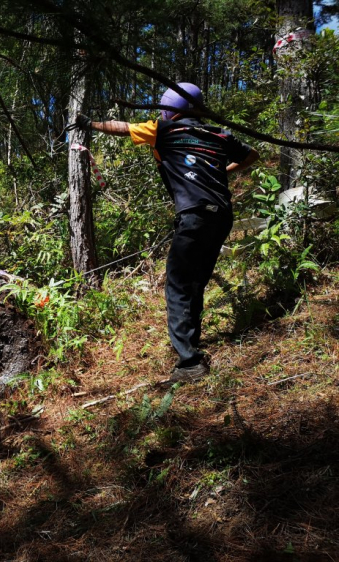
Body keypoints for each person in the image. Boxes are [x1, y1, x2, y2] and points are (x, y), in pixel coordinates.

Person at [75, 82, 259, 381]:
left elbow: (123, 127)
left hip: (194, 215)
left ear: (171, 108)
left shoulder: (163, 129)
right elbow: (252, 155)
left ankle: (189, 363)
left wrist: (91, 124)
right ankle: (192, 343)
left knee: (177, 285)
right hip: (221, 216)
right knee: (196, 280)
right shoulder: (219, 134)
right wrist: (221, 171)